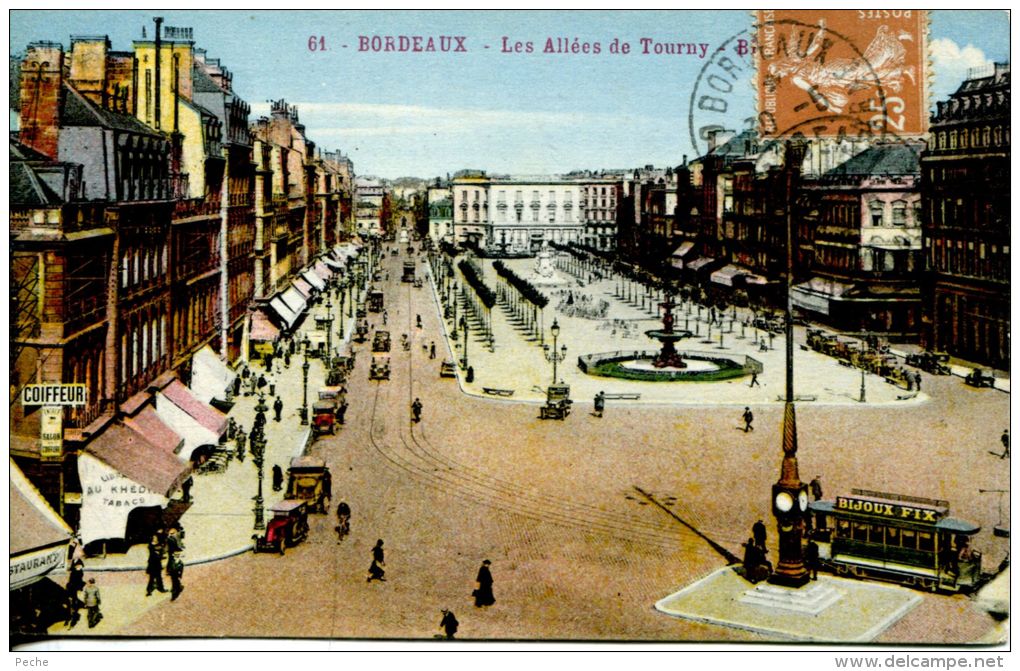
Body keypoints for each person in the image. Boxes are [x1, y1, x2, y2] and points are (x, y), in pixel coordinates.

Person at [64, 559, 85, 628]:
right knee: (71, 605)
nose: (79, 567)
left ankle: (70, 622)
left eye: (79, 566)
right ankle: (68, 620)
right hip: (72, 589)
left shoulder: (79, 572)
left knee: (72, 605)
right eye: (78, 566)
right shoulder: (74, 572)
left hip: (73, 588)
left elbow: (79, 578)